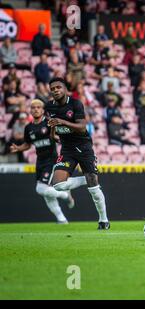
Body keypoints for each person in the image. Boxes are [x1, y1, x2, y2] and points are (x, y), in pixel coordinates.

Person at [45, 77, 110, 230]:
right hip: (67, 148)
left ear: (65, 89)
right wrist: (53, 133)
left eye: (58, 87)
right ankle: (88, 178)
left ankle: (103, 220)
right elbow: (53, 124)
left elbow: (81, 127)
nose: (55, 90)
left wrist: (62, 122)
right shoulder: (49, 106)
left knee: (94, 189)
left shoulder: (75, 103)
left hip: (83, 146)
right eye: (52, 88)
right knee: (59, 185)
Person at [9, 100, 87, 224]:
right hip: (40, 161)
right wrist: (19, 148)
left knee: (40, 188)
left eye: (38, 107)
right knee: (47, 193)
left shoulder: (49, 123)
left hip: (51, 160)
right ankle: (62, 220)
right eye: (33, 107)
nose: (35, 109)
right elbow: (28, 144)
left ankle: (66, 196)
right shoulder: (29, 127)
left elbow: (59, 136)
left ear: (42, 110)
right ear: (30, 110)